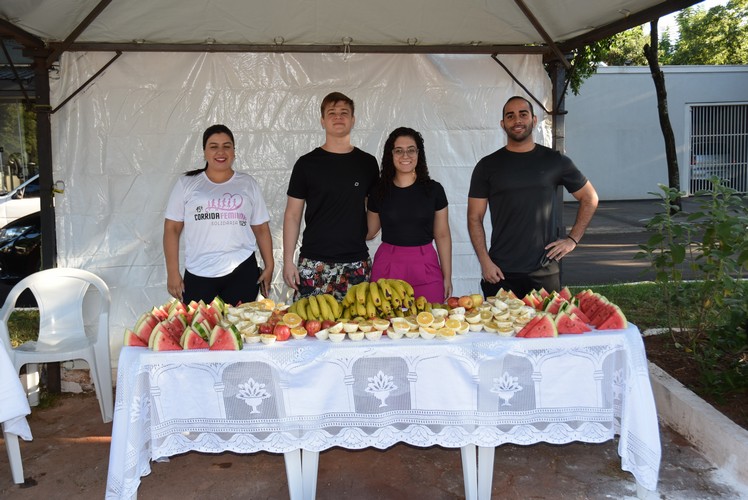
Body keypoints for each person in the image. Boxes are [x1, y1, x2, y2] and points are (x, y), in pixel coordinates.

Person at [467, 96, 599, 299]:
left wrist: (572, 240)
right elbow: (474, 217)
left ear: (534, 120)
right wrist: (485, 262)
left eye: (523, 114)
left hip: (544, 273)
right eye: (510, 116)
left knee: (545, 330)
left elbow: (590, 197)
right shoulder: (487, 166)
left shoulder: (555, 160)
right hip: (499, 272)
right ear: (503, 124)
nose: (517, 120)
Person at [283, 92, 379, 301]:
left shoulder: (368, 163)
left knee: (358, 330)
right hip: (314, 264)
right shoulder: (306, 164)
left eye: (344, 112)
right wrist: (288, 261)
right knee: (308, 330)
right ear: (322, 120)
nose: (338, 117)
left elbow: (374, 209)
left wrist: (366, 233)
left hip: (356, 264)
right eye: (332, 113)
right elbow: (292, 215)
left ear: (353, 120)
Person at [163, 124, 273, 305]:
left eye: (226, 146)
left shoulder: (248, 183)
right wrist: (172, 272)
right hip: (199, 273)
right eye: (213, 146)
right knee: (201, 331)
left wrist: (270, 265)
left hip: (242, 269)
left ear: (234, 151)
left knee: (242, 330)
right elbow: (172, 229)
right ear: (204, 152)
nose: (220, 152)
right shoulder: (187, 183)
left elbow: (261, 228)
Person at [366, 127, 452, 303]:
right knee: (387, 326)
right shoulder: (379, 191)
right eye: (399, 151)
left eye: (411, 150)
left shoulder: (434, 190)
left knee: (431, 323)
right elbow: (370, 232)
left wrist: (447, 276)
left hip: (426, 264)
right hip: (388, 266)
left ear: (418, 153)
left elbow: (442, 235)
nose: (405, 155)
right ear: (391, 154)